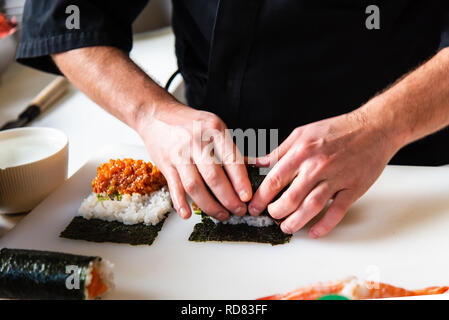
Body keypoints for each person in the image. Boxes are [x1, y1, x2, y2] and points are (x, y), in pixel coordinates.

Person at [16, 1, 449, 238]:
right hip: (204, 160)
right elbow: (66, 18)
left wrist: (378, 128)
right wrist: (152, 113)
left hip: (402, 174)